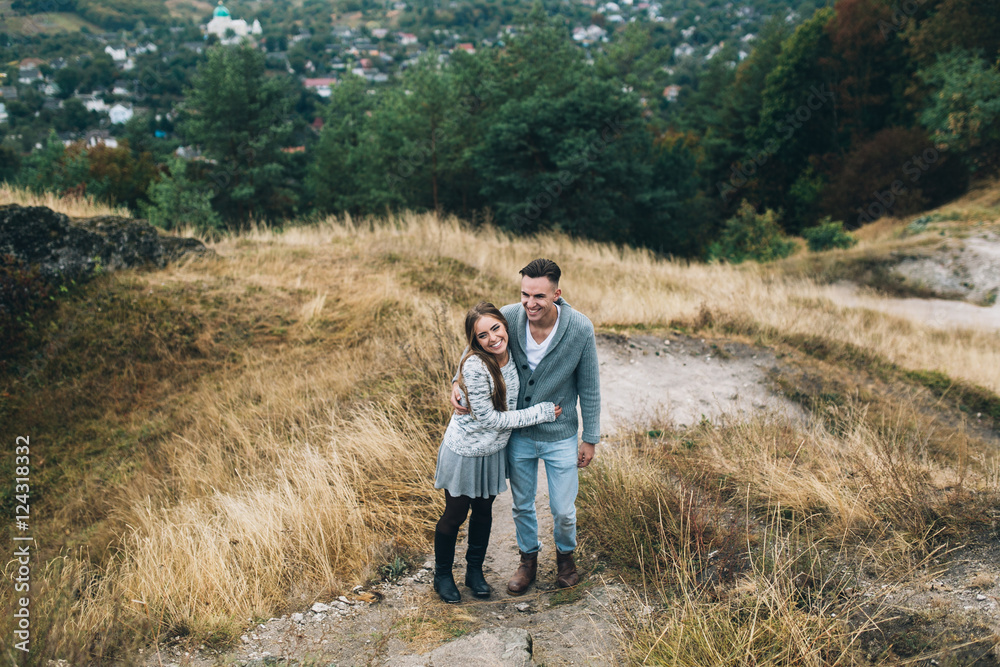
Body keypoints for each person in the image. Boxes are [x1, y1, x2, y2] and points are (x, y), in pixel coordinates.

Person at [451, 259, 600, 595]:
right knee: (522, 504)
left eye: (539, 297)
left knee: (563, 508)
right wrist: (456, 382)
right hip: (517, 434)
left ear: (557, 294)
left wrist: (590, 438)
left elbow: (590, 386)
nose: (530, 303)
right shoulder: (510, 317)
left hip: (561, 433)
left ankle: (565, 558)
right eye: (525, 294)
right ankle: (527, 560)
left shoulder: (580, 328)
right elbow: (473, 347)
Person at [433, 301, 562, 604]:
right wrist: (539, 413)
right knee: (455, 515)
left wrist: (454, 378)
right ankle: (442, 575)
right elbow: (489, 418)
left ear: (504, 325)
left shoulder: (512, 344)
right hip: (464, 451)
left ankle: (474, 573)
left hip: (493, 452)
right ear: (475, 341)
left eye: (495, 328)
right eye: (482, 336)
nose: (492, 338)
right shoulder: (478, 365)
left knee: (483, 512)